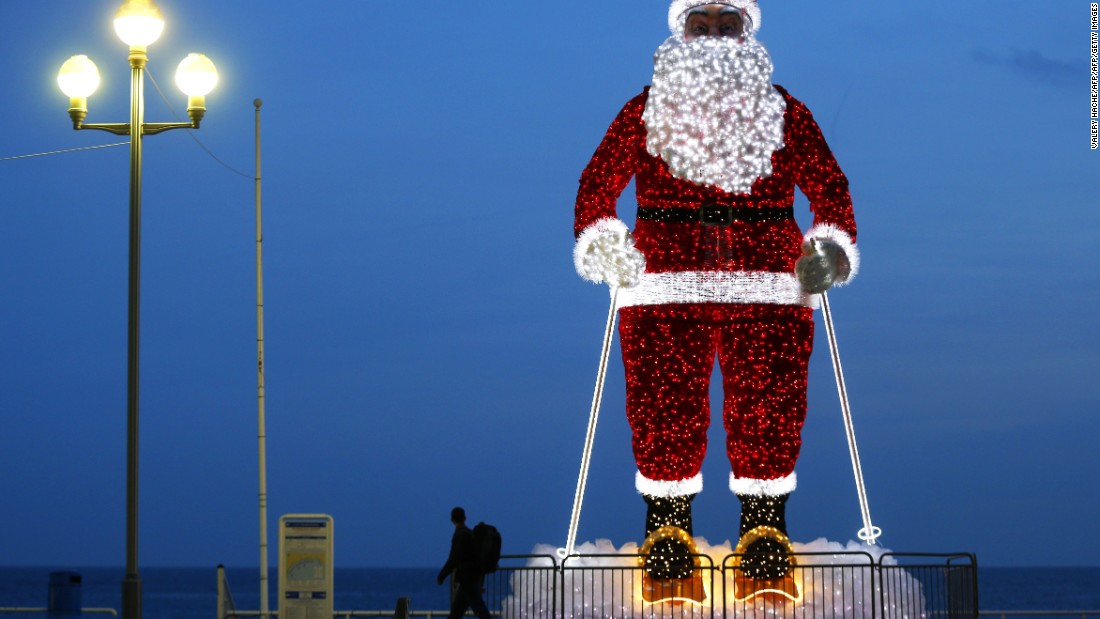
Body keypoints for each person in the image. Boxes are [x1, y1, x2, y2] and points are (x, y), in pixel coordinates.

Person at [572, 0, 859, 586]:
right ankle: (668, 533)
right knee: (662, 408)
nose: (713, 38)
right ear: (680, 33)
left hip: (770, 287)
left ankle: (764, 532)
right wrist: (602, 239)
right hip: (662, 287)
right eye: (700, 27)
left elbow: (830, 185)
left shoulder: (784, 112)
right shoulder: (644, 110)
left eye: (726, 26)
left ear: (747, 33)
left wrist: (830, 245)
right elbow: (597, 182)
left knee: (771, 407)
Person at [437, 507, 491, 619]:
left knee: (481, 612)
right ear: (465, 517)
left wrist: (442, 575)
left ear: (452, 519)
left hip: (467, 579)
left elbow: (454, 559)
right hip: (472, 578)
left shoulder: (460, 535)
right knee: (457, 613)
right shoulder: (470, 534)